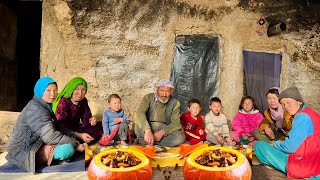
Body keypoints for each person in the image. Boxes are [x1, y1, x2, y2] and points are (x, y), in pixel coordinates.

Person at [6, 77, 84, 173]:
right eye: (48, 90)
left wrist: (76, 135)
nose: (53, 94)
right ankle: (49, 156)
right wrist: (76, 144)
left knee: (68, 142)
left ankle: (52, 155)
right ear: (40, 91)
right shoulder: (35, 109)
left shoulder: (45, 106)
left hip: (37, 141)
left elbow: (58, 126)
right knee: (67, 149)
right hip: (22, 150)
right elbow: (50, 136)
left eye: (55, 90)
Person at [254, 87, 320, 179]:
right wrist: (266, 127)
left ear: (299, 102)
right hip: (310, 155)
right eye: (283, 104)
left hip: (307, 164)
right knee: (258, 133)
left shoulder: (302, 117)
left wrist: (275, 145)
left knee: (259, 146)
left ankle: (282, 166)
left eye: (289, 102)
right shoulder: (308, 112)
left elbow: (290, 147)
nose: (286, 107)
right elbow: (264, 123)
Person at [134, 79, 185, 146]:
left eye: (167, 91)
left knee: (180, 137)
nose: (164, 94)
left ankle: (146, 141)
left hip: (164, 128)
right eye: (162, 90)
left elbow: (176, 124)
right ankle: (150, 140)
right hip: (148, 126)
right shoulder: (148, 98)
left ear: (171, 91)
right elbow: (140, 113)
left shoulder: (175, 103)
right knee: (137, 126)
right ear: (157, 89)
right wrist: (147, 130)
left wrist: (162, 132)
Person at [52, 77, 103, 143]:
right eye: (77, 89)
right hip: (65, 131)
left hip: (77, 127)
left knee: (102, 125)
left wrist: (92, 120)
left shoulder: (83, 100)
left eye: (83, 90)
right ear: (71, 90)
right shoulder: (63, 102)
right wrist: (78, 135)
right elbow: (61, 125)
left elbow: (86, 118)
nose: (80, 93)